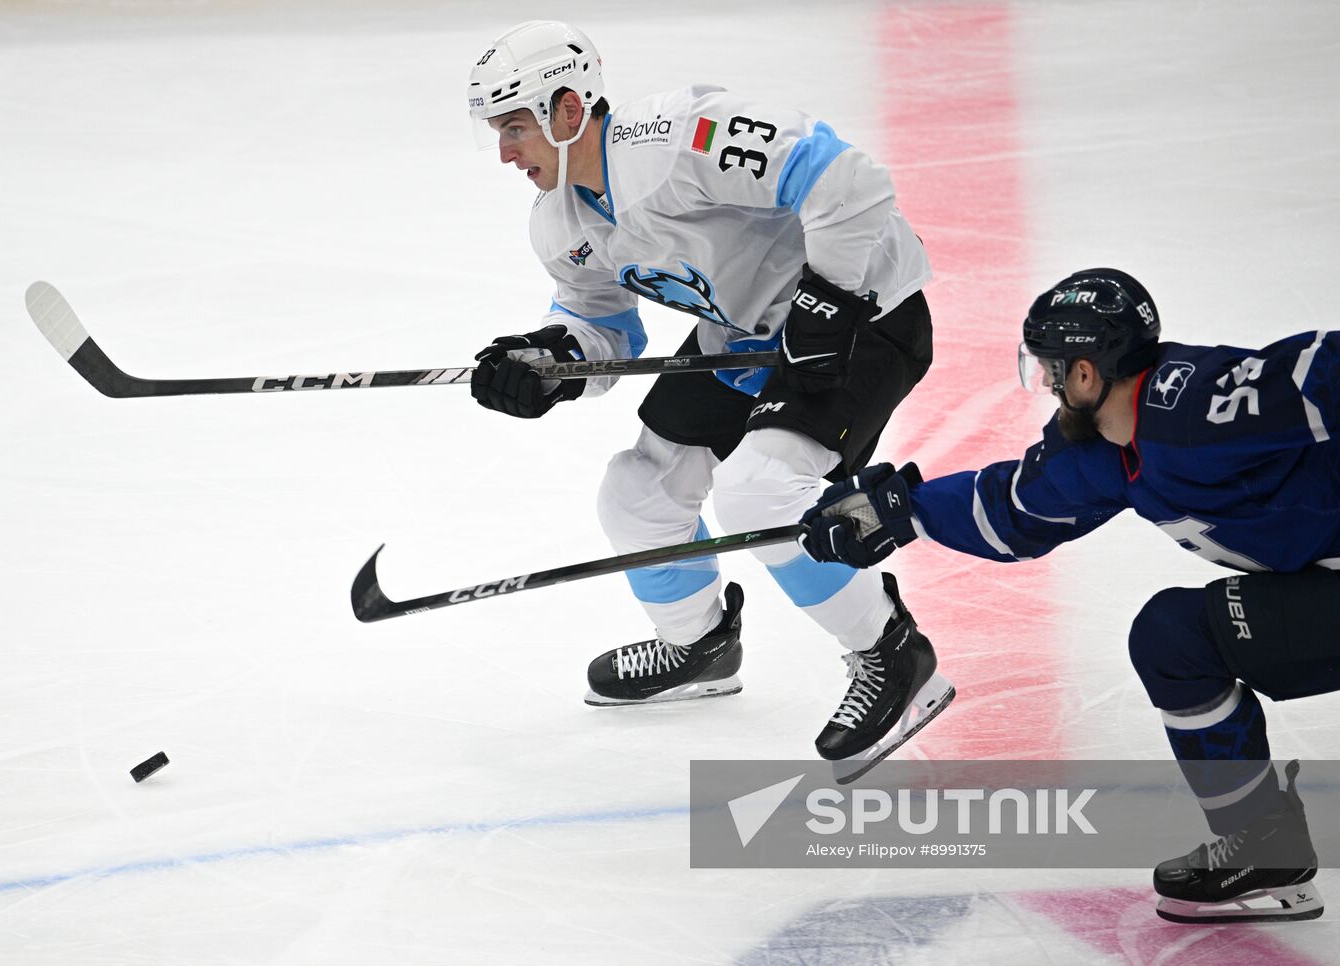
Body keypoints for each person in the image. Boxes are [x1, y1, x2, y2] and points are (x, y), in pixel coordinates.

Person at [464, 20, 952, 763]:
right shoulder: (559, 218)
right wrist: (551, 361)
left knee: (758, 495)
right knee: (636, 495)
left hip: (865, 313)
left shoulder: (676, 137)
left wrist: (829, 296)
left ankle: (893, 653)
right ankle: (701, 646)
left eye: (516, 127)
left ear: (569, 111)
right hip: (748, 334)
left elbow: (847, 180)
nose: (504, 152)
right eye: (496, 131)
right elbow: (603, 326)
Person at [799, 266, 1337, 922]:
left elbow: (1323, 371)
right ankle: (1266, 846)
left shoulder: (1196, 407)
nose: (1048, 386)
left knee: (1176, 635)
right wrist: (897, 512)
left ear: (1086, 373)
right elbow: (1016, 510)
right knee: (1174, 637)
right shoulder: (1107, 447)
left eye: (1051, 370)